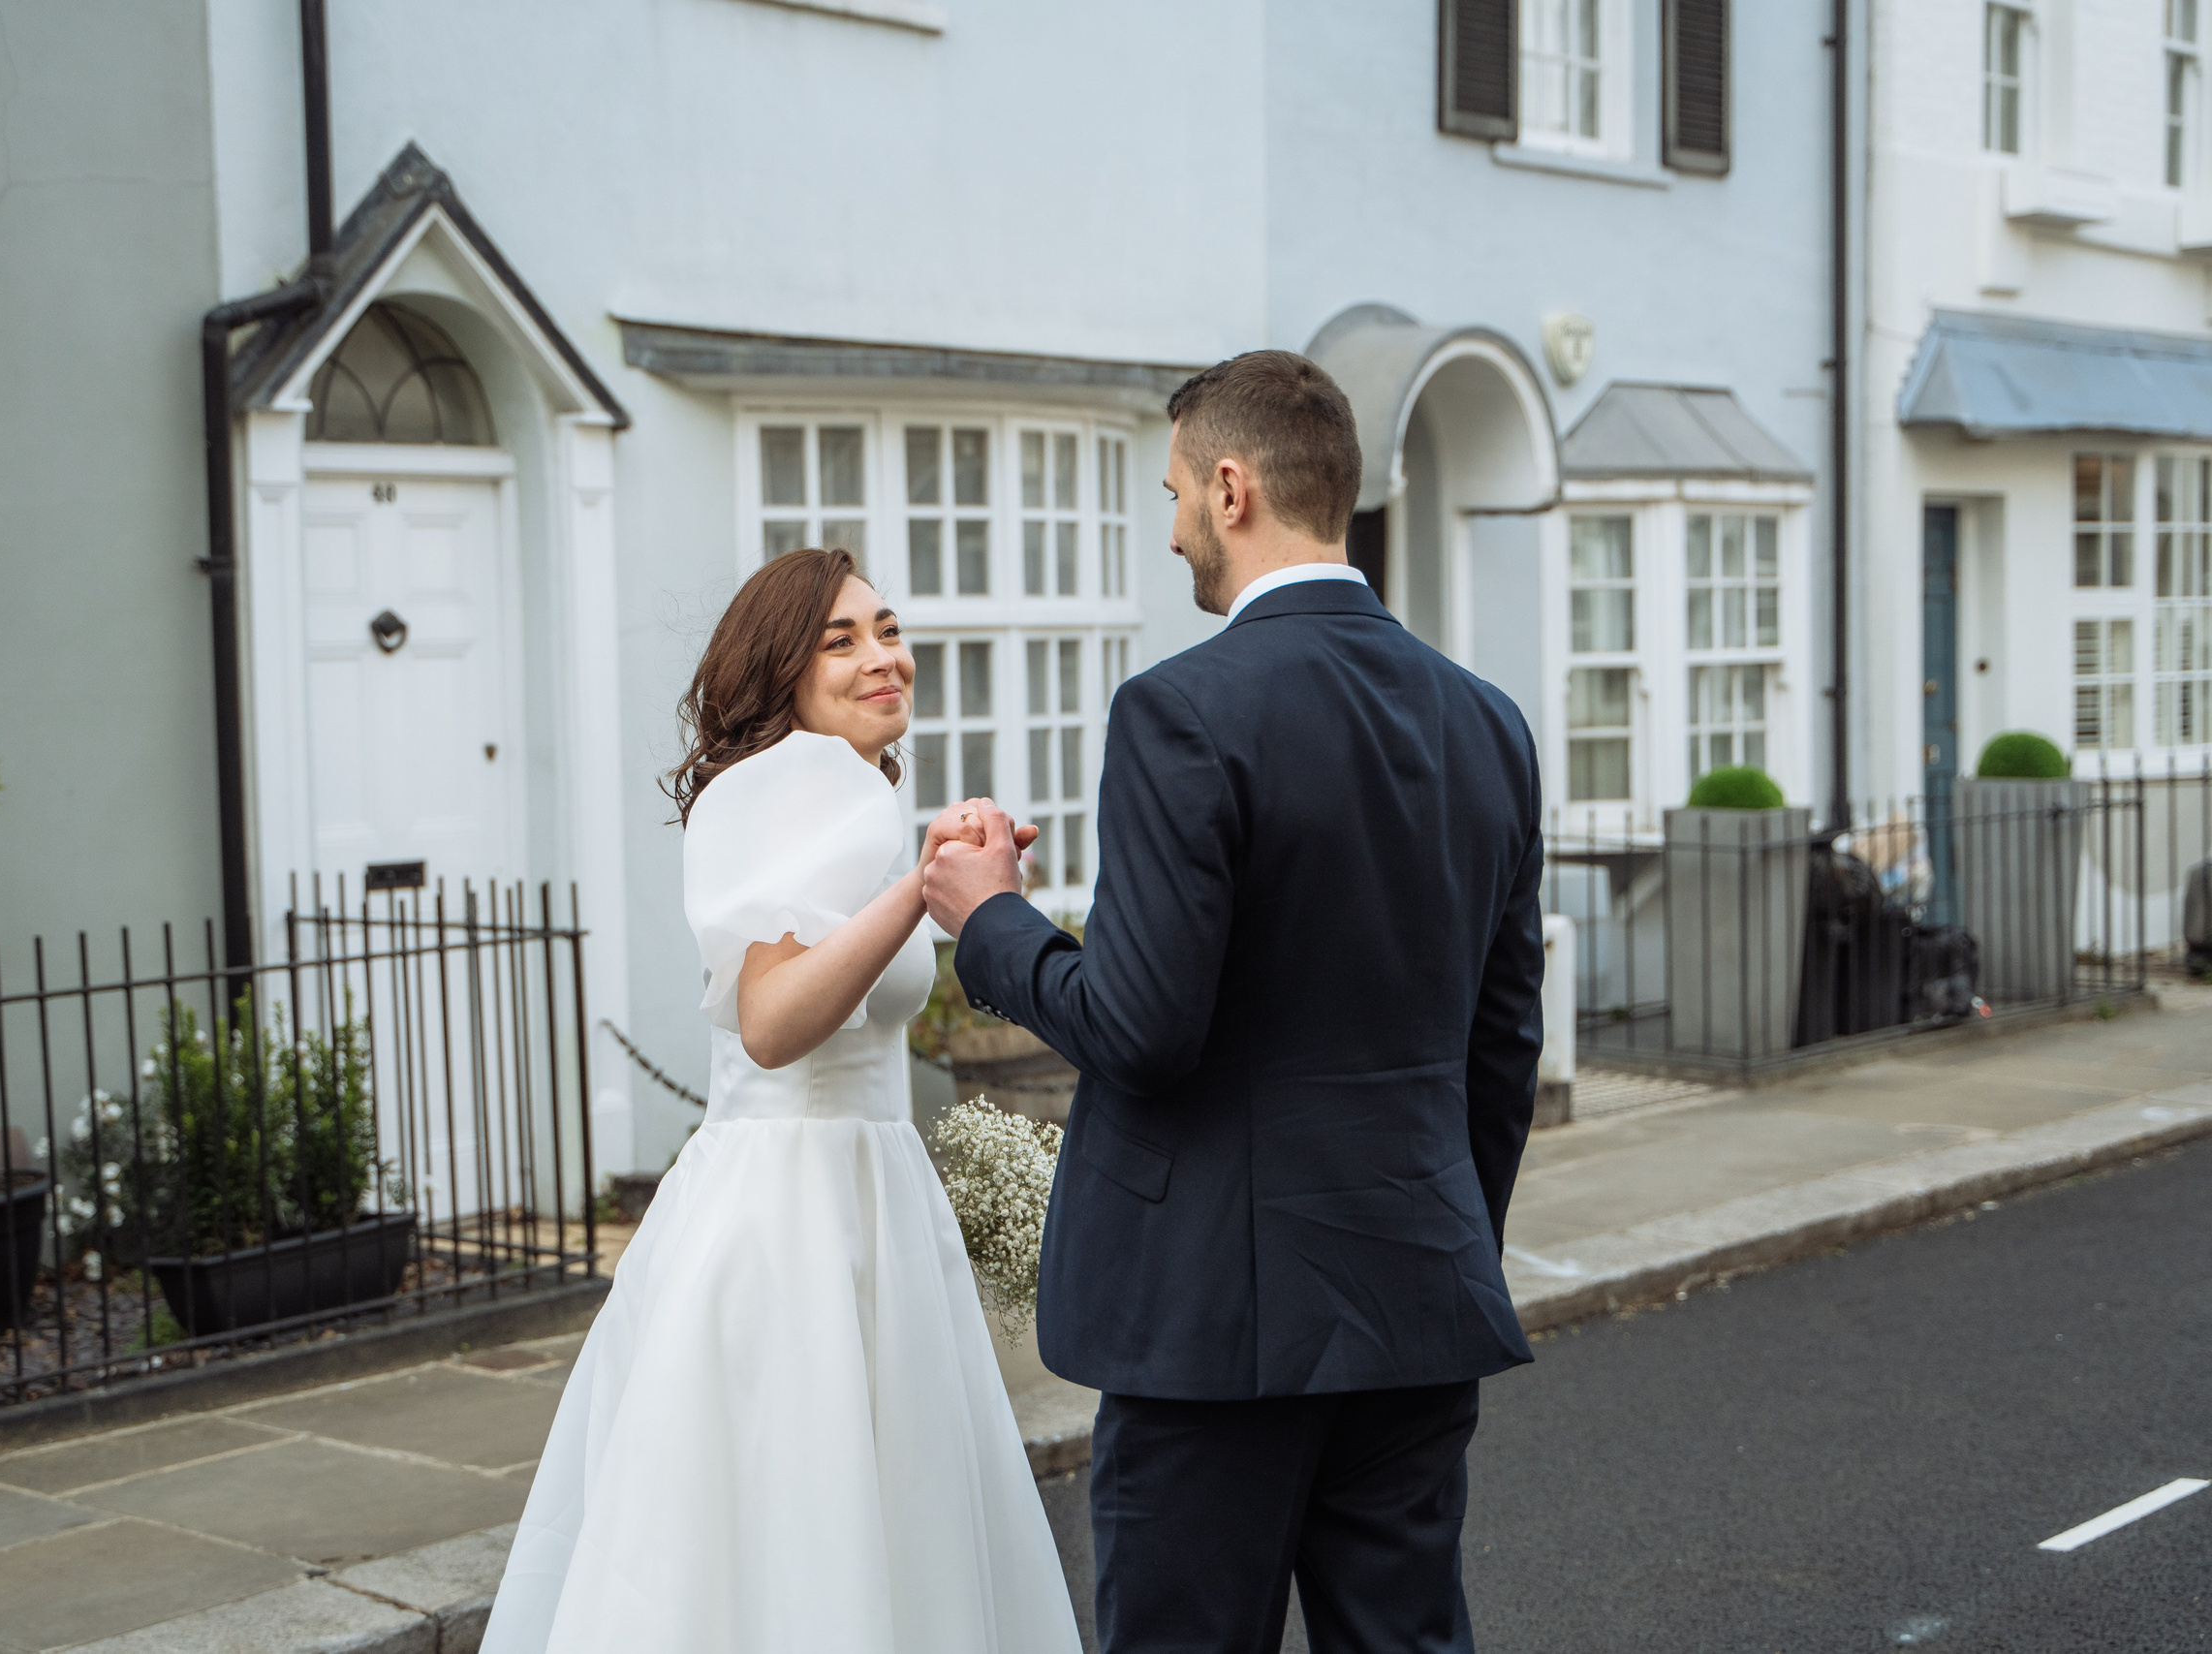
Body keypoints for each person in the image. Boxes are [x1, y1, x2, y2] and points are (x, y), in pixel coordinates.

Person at [924, 350, 1546, 1654]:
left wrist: (991, 920)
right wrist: (1440, 1239)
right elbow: (1504, 1044)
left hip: (1218, 1325)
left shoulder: (1183, 711)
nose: (1169, 531)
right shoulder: (1488, 722)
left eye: (1172, 496)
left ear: (1231, 483)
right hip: (1419, 1293)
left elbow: (1147, 1024)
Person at [479, 548, 1079, 1654]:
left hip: (836, 1187)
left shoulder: (820, 789)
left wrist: (953, 885)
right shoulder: (817, 785)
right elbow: (771, 1021)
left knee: (777, 1534)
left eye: (887, 630)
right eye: (839, 641)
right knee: (820, 1522)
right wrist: (920, 887)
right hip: (800, 1209)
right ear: (781, 671)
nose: (881, 658)